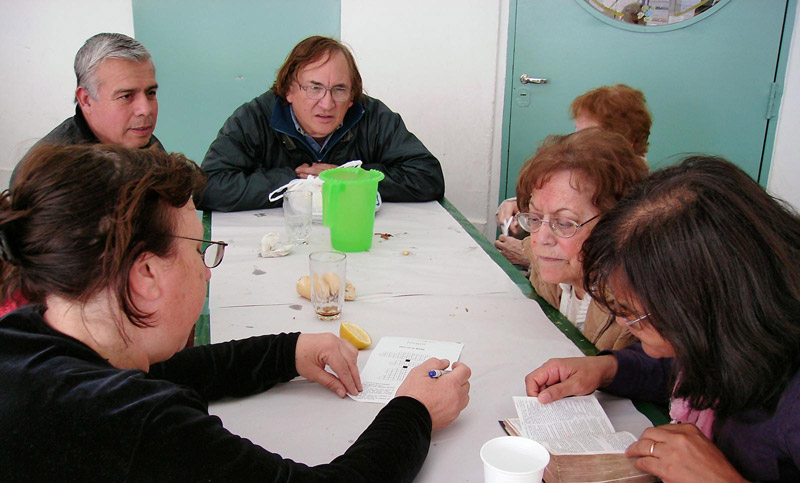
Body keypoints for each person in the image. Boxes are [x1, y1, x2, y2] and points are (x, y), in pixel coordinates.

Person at [0, 144, 470, 483]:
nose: (208, 272)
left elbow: (171, 371)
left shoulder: (27, 337)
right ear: (145, 276)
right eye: (198, 251)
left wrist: (286, 352)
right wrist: (414, 412)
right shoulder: (135, 432)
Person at [525, 156, 800, 483]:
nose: (623, 325)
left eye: (634, 317)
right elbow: (679, 365)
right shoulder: (736, 332)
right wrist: (608, 367)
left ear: (704, 308)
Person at [3, 33, 163, 320]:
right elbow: (56, 291)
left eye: (150, 93)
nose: (145, 109)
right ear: (86, 99)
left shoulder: (142, 143)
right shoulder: (52, 177)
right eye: (126, 96)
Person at [199, 35, 445, 212]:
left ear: (352, 96)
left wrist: (350, 179)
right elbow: (206, 187)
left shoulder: (374, 116)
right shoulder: (254, 118)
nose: (327, 104)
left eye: (339, 89)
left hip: (356, 233)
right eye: (314, 88)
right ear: (288, 90)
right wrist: (296, 182)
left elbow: (428, 176)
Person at [511, 128, 648, 350]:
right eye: (535, 218)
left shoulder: (634, 313)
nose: (541, 239)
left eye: (564, 223)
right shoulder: (554, 267)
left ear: (615, 226)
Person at [495, 84, 651, 266]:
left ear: (625, 143)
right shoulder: (588, 172)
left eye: (589, 135)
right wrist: (521, 206)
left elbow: (596, 264)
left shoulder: (636, 202)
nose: (576, 141)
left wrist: (529, 256)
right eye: (577, 131)